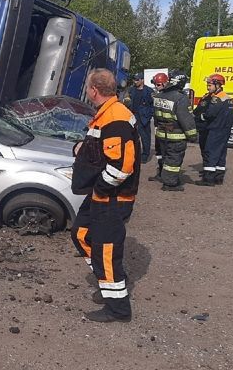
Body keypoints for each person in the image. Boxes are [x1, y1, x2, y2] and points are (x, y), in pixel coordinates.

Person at [70, 68, 140, 323]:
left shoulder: (116, 118)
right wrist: (81, 147)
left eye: (87, 86)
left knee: (106, 251)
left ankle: (118, 308)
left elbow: (122, 166)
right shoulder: (107, 113)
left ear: (93, 90)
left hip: (111, 198)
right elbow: (100, 149)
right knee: (80, 234)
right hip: (102, 195)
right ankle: (109, 279)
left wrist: (100, 188)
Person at [152, 70, 198, 190]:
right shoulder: (180, 98)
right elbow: (186, 120)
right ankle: (170, 183)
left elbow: (156, 116)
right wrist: (193, 136)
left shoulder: (158, 96)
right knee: (173, 160)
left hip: (162, 134)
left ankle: (165, 177)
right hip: (176, 136)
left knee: (166, 157)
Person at [193, 74, 233, 186]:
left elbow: (210, 114)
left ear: (218, 85)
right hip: (224, 130)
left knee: (211, 152)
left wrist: (200, 117)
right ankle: (218, 177)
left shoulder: (217, 98)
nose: (208, 87)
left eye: (210, 85)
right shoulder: (227, 97)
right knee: (221, 153)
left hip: (215, 129)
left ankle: (208, 179)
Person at [122, 73, 154, 163]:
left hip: (144, 118)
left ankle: (145, 155)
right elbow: (126, 101)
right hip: (133, 116)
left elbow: (153, 105)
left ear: (142, 80)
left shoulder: (149, 91)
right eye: (134, 80)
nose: (135, 81)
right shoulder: (131, 90)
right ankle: (132, 155)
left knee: (145, 138)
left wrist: (149, 115)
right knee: (131, 137)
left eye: (137, 80)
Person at [147, 73, 169, 182]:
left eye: (159, 84)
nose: (157, 86)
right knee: (159, 153)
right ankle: (160, 173)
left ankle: (167, 177)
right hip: (158, 128)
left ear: (165, 83)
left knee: (167, 154)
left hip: (167, 130)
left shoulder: (170, 96)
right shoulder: (157, 95)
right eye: (155, 84)